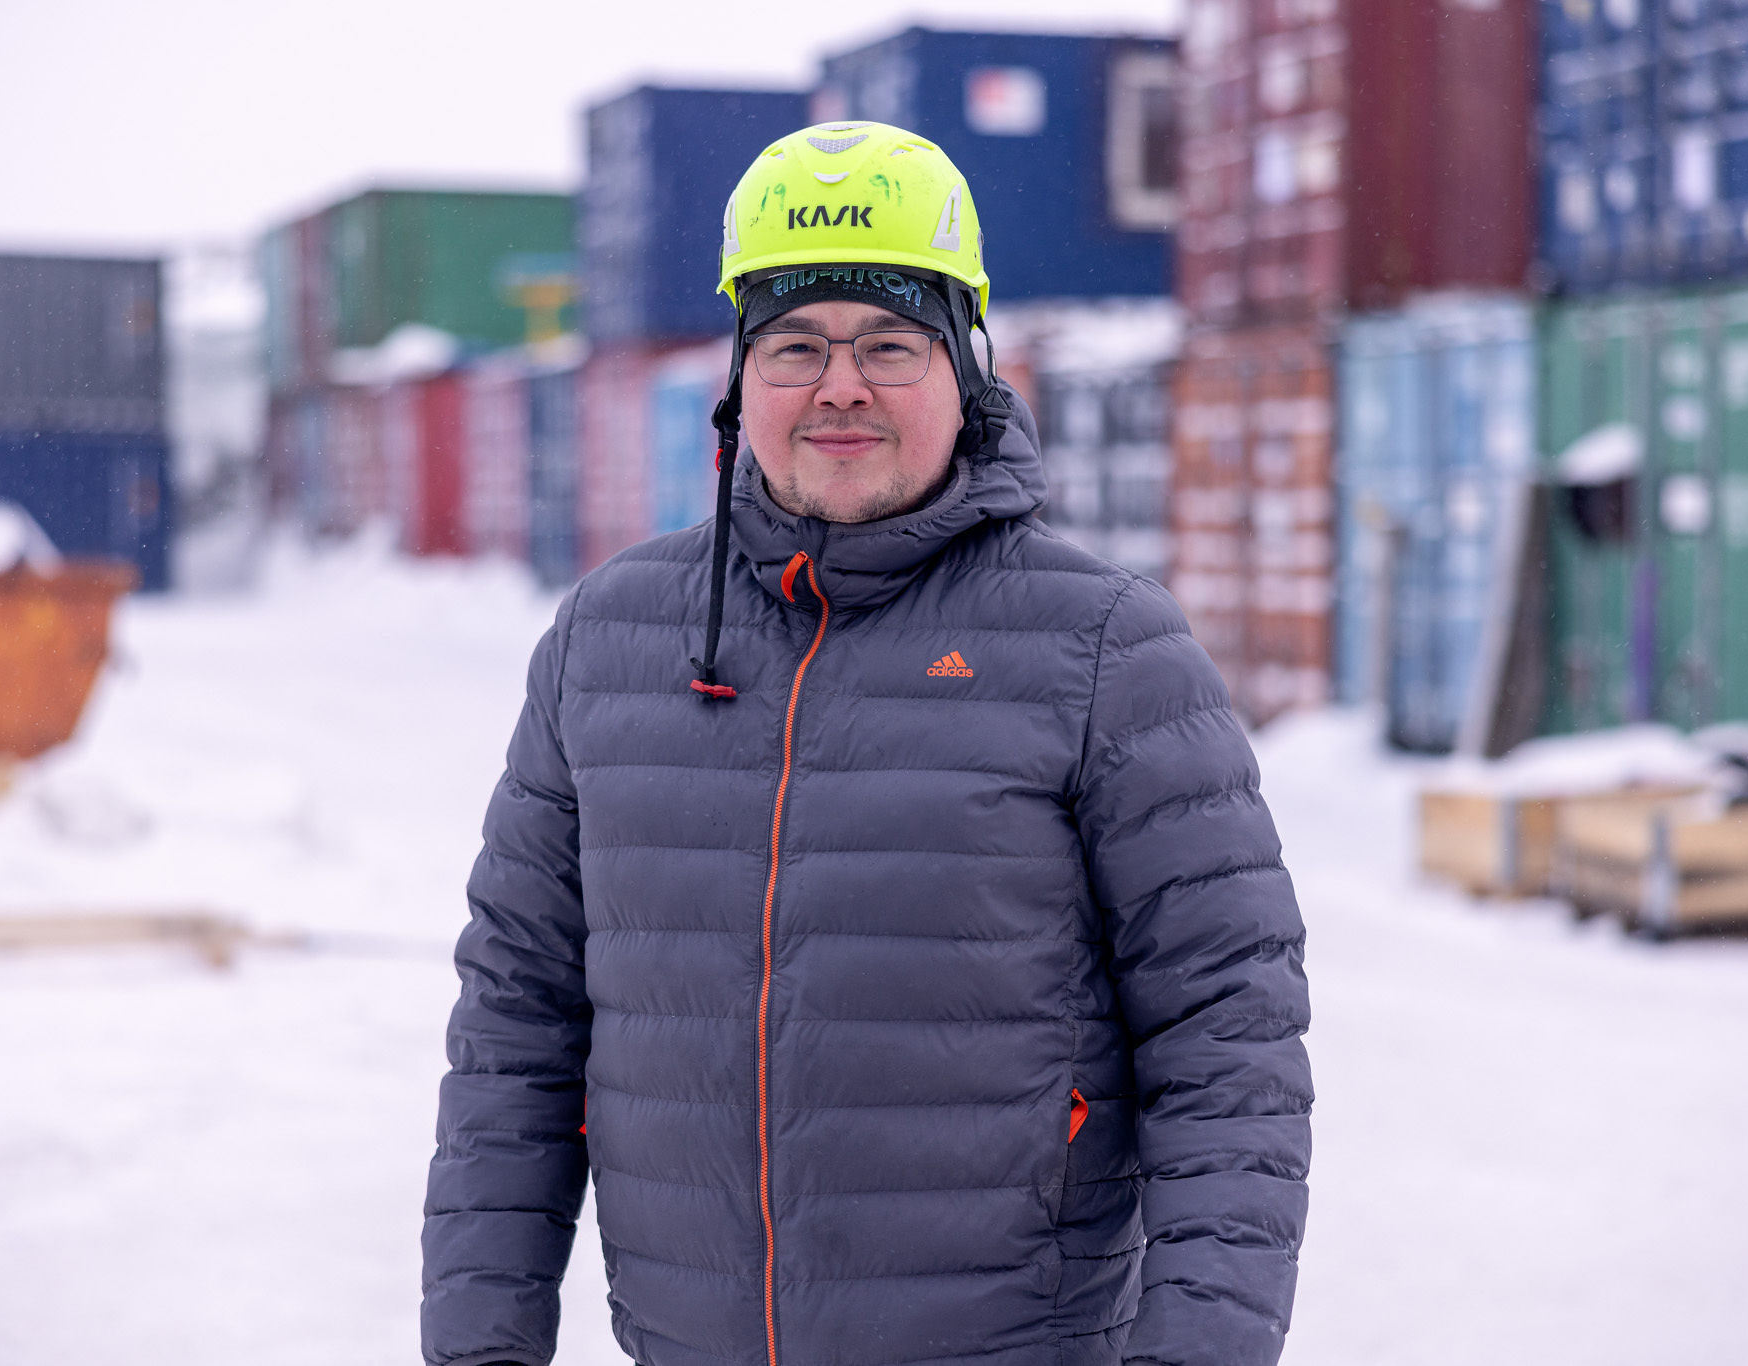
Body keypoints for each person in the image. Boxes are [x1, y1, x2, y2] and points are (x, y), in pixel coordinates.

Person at [422, 121, 1312, 1366]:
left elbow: (1227, 1042)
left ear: (966, 368)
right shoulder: (609, 638)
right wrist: (481, 1341)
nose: (839, 386)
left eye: (889, 343)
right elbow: (516, 1024)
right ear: (740, 377)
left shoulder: (1106, 649)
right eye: (795, 344)